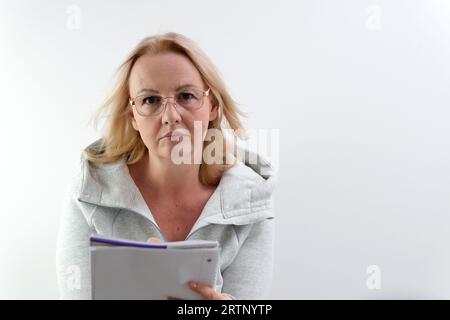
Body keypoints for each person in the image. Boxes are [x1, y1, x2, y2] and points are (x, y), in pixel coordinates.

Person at [56, 32, 277, 300]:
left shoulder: (251, 201)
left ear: (213, 106)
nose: (170, 116)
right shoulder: (89, 192)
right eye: (150, 100)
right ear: (133, 116)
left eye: (186, 96)